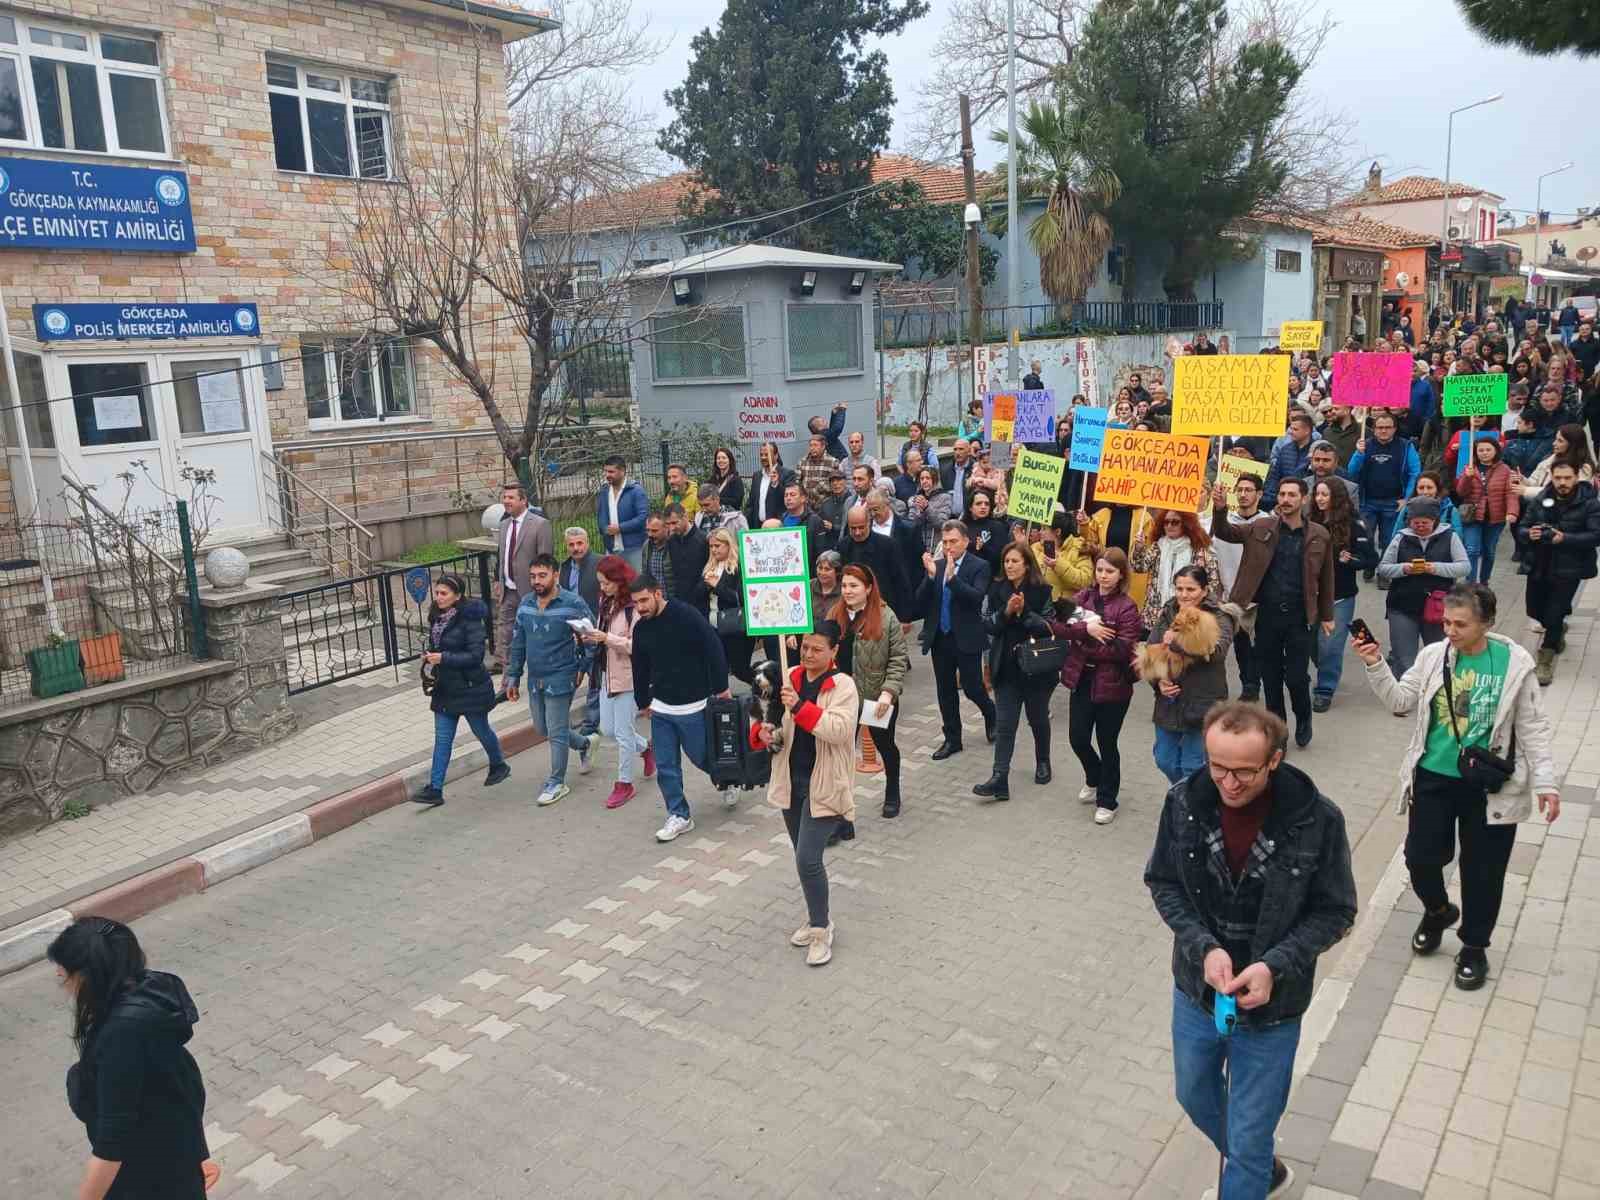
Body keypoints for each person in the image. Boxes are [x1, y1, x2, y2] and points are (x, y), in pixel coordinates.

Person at [1145, 703, 1357, 1200]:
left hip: (1274, 1008)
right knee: (1194, 1093)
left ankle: (1250, 1165)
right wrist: (1204, 949)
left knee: (1248, 1134)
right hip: (1199, 991)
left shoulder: (1318, 819)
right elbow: (1163, 882)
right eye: (1217, 766)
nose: (1229, 782)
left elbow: (1336, 911)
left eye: (1244, 771)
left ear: (1274, 760)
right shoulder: (1183, 802)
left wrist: (1273, 966)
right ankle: (1261, 1165)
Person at [1356, 583, 1559, 989]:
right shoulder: (1434, 657)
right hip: (1433, 777)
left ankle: (1474, 947)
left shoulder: (1514, 663)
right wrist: (1376, 664)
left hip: (1490, 784)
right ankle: (1437, 910)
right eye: (1446, 622)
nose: (1450, 630)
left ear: (1487, 622)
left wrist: (1546, 783)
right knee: (1421, 859)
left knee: (1483, 871)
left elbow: (1533, 725)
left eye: (1460, 624)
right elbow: (1400, 702)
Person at [47, 917, 215, 1200]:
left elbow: (112, 1145)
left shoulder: (123, 1034)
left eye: (64, 972)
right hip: (172, 1161)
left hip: (149, 1180)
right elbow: (182, 1085)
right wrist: (198, 1153)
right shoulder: (151, 993)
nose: (59, 977)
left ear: (88, 976)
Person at [751, 622, 859, 967]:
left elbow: (838, 730)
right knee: (803, 856)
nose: (808, 654)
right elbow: (763, 714)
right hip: (790, 781)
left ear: (833, 652)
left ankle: (820, 928)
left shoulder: (843, 686)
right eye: (805, 647)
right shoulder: (790, 674)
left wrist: (799, 706)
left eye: (817, 649)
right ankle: (816, 915)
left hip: (825, 784)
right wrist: (763, 732)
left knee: (807, 859)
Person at [1210, 478, 1334, 749]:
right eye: (1281, 494)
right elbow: (1225, 533)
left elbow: (1326, 577)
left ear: (1303, 499)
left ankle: (1303, 717)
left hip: (1300, 617)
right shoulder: (1261, 526)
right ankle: (1277, 732)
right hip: (1266, 615)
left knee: (1296, 677)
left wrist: (1326, 615)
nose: (1285, 499)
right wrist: (1219, 509)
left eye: (1291, 495)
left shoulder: (1318, 534)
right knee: (1271, 677)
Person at [630, 573, 733, 842]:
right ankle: (679, 814)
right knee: (666, 765)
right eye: (635, 603)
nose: (639, 608)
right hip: (662, 707)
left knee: (701, 757)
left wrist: (721, 686)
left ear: (657, 593)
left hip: (694, 704)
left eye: (643, 600)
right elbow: (639, 667)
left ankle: (727, 778)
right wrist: (643, 701)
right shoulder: (641, 628)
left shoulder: (686, 616)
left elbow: (713, 648)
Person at [1057, 548, 1141, 824]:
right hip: (1081, 679)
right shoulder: (1084, 597)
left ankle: (1108, 799)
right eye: (1100, 570)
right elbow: (1059, 624)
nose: (1103, 576)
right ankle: (1094, 776)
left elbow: (1120, 649)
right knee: (1078, 738)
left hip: (1113, 685)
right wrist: (1088, 630)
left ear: (1120, 575)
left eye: (1110, 571)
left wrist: (1082, 643)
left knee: (1107, 742)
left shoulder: (1127, 606)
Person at [505, 553, 595, 808]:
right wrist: (513, 676)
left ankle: (557, 782)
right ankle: (585, 743)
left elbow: (591, 636)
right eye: (533, 576)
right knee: (543, 728)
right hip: (535, 678)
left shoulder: (573, 603)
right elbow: (518, 641)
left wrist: (583, 666)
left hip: (562, 675)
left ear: (556, 575)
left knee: (555, 731)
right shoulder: (525, 603)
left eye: (542, 575)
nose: (536, 581)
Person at [414, 575, 509, 806]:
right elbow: (440, 646)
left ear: (457, 596)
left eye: (444, 593)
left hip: (470, 687)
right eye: (437, 593)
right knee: (443, 739)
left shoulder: (470, 619)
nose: (438, 598)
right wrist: (430, 655)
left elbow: (476, 656)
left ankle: (499, 764)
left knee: (481, 730)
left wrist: (443, 657)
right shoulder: (437, 617)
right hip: (445, 688)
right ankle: (435, 789)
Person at [974, 543, 1057, 800]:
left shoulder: (1042, 591)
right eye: (1006, 561)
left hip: (1036, 670)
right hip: (1006, 669)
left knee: (1038, 720)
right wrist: (1007, 611)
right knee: (1005, 725)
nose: (1009, 566)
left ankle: (1043, 760)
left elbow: (1049, 628)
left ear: (1027, 564)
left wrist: (1025, 613)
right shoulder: (997, 589)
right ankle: (1000, 778)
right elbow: (987, 624)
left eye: (1015, 561)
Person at [829, 565, 909, 817]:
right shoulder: (835, 615)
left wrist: (888, 692)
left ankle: (893, 791)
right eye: (844, 586)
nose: (847, 591)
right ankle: (840, 811)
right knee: (840, 753)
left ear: (868, 588)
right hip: (842, 699)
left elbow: (898, 658)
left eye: (853, 586)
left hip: (876, 697)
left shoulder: (887, 617)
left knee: (884, 746)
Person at [578, 555, 655, 809]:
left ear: (619, 581)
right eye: (600, 583)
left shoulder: (633, 608)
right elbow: (605, 637)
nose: (602, 588)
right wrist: (593, 636)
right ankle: (645, 748)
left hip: (628, 677)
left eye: (606, 583)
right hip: (606, 674)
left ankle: (624, 783)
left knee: (622, 734)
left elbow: (639, 646)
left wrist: (607, 638)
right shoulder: (606, 602)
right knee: (608, 729)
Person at [1513, 461, 1600, 685]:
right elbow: (1523, 526)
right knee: (1534, 609)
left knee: (1555, 611)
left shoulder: (1589, 502)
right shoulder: (1541, 498)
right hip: (1539, 563)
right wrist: (1527, 534)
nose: (1562, 482)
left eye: (1567, 478)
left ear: (1575, 478)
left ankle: (1546, 656)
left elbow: (1595, 535)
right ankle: (1556, 628)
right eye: (1558, 477)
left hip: (1570, 566)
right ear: (1551, 476)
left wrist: (1566, 538)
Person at [1145, 566, 1234, 784]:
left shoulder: (1220, 615)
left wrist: (1176, 643)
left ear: (1204, 590)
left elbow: (1217, 653)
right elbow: (1150, 651)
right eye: (1179, 588)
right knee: (1164, 759)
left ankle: (1188, 807)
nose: (1184, 595)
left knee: (1192, 765)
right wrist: (1159, 682)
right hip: (1170, 701)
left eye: (1191, 589)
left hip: (1203, 699)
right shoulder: (1169, 610)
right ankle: (1186, 794)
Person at [917, 519, 997, 760]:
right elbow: (920, 601)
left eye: (954, 541)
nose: (949, 546)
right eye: (945, 542)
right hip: (940, 637)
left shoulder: (979, 566)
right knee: (945, 690)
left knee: (973, 688)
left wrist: (953, 579)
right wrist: (931, 577)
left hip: (966, 636)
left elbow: (976, 597)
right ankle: (953, 738)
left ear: (965, 541)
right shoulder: (938, 565)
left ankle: (990, 713)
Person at [1376, 495, 1470, 678]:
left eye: (1424, 522)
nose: (1419, 526)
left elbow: (1464, 566)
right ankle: (1403, 695)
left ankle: (1437, 692)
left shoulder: (1450, 536)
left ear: (1435, 520)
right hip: (1402, 605)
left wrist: (1434, 568)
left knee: (1439, 656)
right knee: (1404, 658)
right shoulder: (1400, 538)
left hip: (1438, 606)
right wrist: (1404, 569)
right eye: (1415, 522)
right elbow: (1383, 568)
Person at [1309, 479, 1377, 713]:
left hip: (1340, 596)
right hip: (1310, 595)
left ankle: (1325, 689)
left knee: (1330, 646)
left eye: (1324, 494)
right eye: (1317, 494)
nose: (1319, 499)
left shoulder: (1354, 524)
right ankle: (1325, 668)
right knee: (1312, 644)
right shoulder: (1309, 520)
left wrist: (1352, 561)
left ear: (1336, 497)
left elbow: (1371, 559)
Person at [492, 483, 553, 671]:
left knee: (536, 631)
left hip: (531, 590)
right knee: (505, 631)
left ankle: (541, 667)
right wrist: (497, 579)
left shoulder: (540, 524)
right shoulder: (503, 525)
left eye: (511, 498)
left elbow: (545, 558)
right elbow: (501, 555)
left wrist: (543, 588)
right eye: (504, 498)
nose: (506, 501)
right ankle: (507, 671)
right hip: (508, 589)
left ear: (523, 500)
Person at [1348, 411, 1422, 564]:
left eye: (1388, 427)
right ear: (1374, 429)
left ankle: (1384, 572)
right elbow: (1352, 471)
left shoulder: (1406, 446)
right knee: (1365, 538)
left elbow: (1415, 473)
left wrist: (1407, 498)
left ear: (1394, 429)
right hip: (1367, 502)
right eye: (1380, 427)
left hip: (1394, 502)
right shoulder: (1364, 445)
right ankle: (1369, 564)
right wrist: (1358, 453)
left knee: (1389, 540)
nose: (1383, 430)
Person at [1132, 509, 1222, 632]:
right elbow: (1139, 567)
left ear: (1186, 524)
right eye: (1166, 522)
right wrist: (1139, 549)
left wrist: (1199, 607)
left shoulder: (1198, 550)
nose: (1169, 526)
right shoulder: (1158, 546)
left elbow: (1213, 583)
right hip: (1157, 614)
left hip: (1189, 617)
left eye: (1175, 522)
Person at [1452, 436, 1517, 583]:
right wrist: (1467, 478)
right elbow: (1461, 492)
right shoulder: (1470, 468)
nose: (1484, 453)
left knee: (1489, 552)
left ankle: (1484, 580)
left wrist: (1512, 512)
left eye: (1488, 449)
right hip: (1473, 516)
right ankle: (1471, 582)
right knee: (1472, 550)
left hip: (1496, 518)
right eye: (1480, 450)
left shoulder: (1505, 469)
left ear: (1496, 451)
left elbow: (1510, 493)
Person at [694, 527, 752, 684]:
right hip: (712, 624)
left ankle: (765, 689)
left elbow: (739, 598)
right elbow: (697, 595)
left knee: (740, 669)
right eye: (711, 546)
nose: (713, 550)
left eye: (717, 546)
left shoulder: (738, 567)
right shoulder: (709, 566)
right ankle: (723, 704)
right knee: (717, 667)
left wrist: (717, 585)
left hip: (734, 626)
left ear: (728, 545)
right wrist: (706, 584)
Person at [559, 526, 603, 736]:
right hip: (572, 631)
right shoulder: (564, 568)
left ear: (587, 543)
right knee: (573, 676)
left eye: (579, 543)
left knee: (594, 679)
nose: (576, 548)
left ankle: (590, 725)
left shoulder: (599, 563)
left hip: (594, 629)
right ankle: (561, 722)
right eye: (571, 544)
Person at [596, 456, 649, 571]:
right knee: (614, 584)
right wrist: (604, 529)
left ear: (623, 471)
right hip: (611, 548)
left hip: (634, 549)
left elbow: (642, 518)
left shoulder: (636, 491)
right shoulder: (604, 491)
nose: (607, 475)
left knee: (636, 583)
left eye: (611, 471)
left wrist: (620, 528)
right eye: (605, 471)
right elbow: (601, 516)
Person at [1027, 518, 1093, 603]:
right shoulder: (1036, 547)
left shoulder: (1079, 548)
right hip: (1039, 605)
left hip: (1064, 607)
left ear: (1058, 532)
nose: (1040, 532)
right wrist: (1021, 546)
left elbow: (1085, 581)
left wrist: (1058, 565)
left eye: (1044, 529)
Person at [1262, 413, 1315, 502]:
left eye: (1295, 429)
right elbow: (1274, 476)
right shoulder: (1285, 449)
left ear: (1307, 431)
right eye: (1291, 428)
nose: (1290, 432)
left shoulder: (1316, 453)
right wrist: (1269, 499)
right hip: (1284, 499)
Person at [664, 503, 710, 603]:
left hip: (701, 601)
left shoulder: (703, 540)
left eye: (674, 523)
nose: (671, 528)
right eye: (668, 524)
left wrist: (701, 590)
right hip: (679, 601)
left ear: (685, 517)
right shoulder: (671, 541)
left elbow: (710, 569)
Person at [961, 487, 1009, 575]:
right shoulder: (962, 526)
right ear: (970, 507)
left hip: (989, 575)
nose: (983, 507)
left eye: (987, 504)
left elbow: (1001, 557)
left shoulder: (997, 527)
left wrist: (984, 547)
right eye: (978, 504)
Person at [906, 465, 954, 553]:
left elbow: (942, 523)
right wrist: (919, 512)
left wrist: (927, 508)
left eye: (928, 478)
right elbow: (911, 524)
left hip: (936, 547)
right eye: (922, 479)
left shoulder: (945, 497)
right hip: (919, 547)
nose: (924, 481)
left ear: (935, 480)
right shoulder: (915, 499)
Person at [745, 443, 792, 527]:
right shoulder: (757, 476)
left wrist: (776, 484)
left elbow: (789, 499)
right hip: (758, 526)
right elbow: (752, 502)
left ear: (776, 455)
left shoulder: (787, 474)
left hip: (778, 526)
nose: (763, 457)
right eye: (761, 455)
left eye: (767, 455)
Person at [940, 438, 977, 515]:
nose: (957, 452)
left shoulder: (976, 469)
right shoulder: (945, 470)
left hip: (970, 517)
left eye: (961, 449)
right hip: (950, 517)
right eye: (955, 449)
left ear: (969, 451)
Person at [969, 445, 1009, 512]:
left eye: (989, 460)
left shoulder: (999, 470)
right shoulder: (975, 469)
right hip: (980, 502)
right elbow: (969, 483)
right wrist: (973, 481)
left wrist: (983, 481)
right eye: (983, 461)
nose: (985, 459)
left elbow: (997, 484)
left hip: (996, 502)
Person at [707, 446, 745, 513]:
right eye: (718, 458)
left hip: (730, 517)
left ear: (730, 460)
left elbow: (737, 502)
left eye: (724, 458)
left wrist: (716, 500)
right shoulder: (712, 479)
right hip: (714, 517)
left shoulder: (736, 480)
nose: (721, 460)